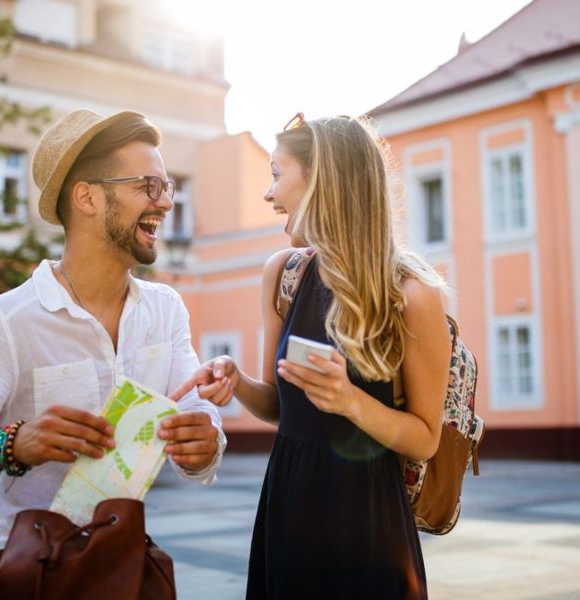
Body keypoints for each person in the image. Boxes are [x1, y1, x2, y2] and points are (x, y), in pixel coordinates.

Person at [0, 109, 226, 550]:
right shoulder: (5, 323)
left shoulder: (166, 309)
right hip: (22, 576)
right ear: (87, 198)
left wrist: (205, 442)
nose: (166, 202)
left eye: (166, 187)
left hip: (121, 565)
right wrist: (12, 444)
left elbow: (194, 414)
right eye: (148, 185)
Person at [174, 114, 452, 599]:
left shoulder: (412, 295)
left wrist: (350, 402)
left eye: (278, 174)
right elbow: (280, 408)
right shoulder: (284, 274)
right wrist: (236, 380)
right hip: (289, 506)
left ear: (324, 179)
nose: (268, 193)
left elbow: (425, 440)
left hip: (369, 523)